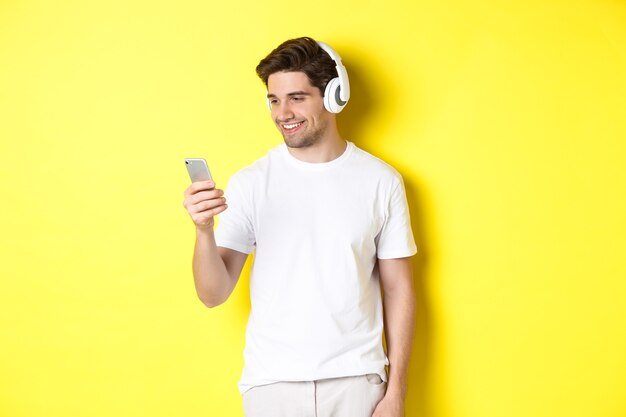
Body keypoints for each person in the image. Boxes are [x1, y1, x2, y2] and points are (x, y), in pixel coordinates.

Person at [183, 37, 417, 417]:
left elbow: (399, 289)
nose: (282, 113)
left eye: (296, 97)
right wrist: (204, 230)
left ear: (334, 95)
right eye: (274, 100)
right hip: (272, 386)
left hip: (358, 382)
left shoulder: (380, 181)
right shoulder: (251, 182)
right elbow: (213, 293)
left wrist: (396, 393)